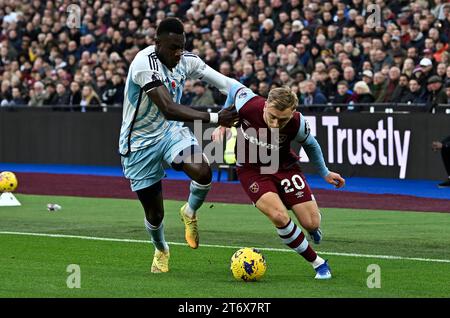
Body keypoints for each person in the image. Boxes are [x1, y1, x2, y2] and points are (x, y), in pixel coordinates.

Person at [118, 18, 238, 273]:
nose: (178, 53)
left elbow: (224, 82)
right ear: (157, 43)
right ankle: (161, 248)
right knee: (155, 215)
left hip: (170, 132)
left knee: (203, 171)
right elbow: (169, 108)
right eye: (173, 47)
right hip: (139, 143)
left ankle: (189, 211)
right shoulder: (143, 63)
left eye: (181, 47)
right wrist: (217, 118)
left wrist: (249, 97)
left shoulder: (186, 60)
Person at [213, 84, 345, 279]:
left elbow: (311, 144)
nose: (275, 124)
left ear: (293, 112)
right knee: (279, 216)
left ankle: (312, 224)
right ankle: (318, 263)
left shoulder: (297, 123)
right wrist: (223, 122)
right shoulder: (249, 104)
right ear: (265, 105)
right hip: (252, 170)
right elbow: (232, 89)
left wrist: (324, 173)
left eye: (282, 119)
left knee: (311, 222)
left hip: (285, 167)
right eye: (272, 117)